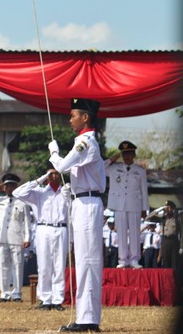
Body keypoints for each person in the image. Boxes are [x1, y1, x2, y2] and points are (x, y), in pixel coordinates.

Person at [49, 98, 105, 333]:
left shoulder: (85, 142)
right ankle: (86, 316)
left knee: (88, 260)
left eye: (73, 115)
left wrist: (53, 152)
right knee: (82, 259)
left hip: (88, 202)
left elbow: (62, 166)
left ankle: (88, 318)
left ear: (85, 117)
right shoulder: (83, 142)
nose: (70, 119)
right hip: (82, 201)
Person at [12, 168, 68, 311]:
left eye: (56, 173)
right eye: (51, 173)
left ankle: (57, 300)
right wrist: (40, 179)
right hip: (44, 228)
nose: (54, 175)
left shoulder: (66, 192)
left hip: (61, 228)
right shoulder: (39, 192)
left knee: (59, 266)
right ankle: (45, 299)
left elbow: (72, 215)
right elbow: (17, 193)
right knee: (44, 265)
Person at [0, 173, 31, 302]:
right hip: (1, 237)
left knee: (18, 265)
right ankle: (5, 293)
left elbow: (27, 221)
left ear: (16, 186)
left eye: (12, 186)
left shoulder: (22, 202)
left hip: (16, 236)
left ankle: (17, 293)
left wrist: (27, 238)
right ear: (3, 187)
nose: (10, 188)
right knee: (2, 265)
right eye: (7, 186)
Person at [104, 141, 148, 269]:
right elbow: (101, 167)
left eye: (129, 153)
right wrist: (114, 158)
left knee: (135, 232)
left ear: (134, 154)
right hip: (119, 204)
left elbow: (144, 190)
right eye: (124, 154)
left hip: (134, 204)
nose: (127, 156)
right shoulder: (113, 168)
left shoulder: (140, 171)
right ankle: (122, 259)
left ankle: (134, 259)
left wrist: (144, 208)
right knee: (121, 232)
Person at [146, 201, 180, 268]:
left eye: (169, 208)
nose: (167, 209)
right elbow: (148, 218)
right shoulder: (163, 217)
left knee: (174, 261)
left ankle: (174, 277)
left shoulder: (177, 218)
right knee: (166, 260)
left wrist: (181, 246)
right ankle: (166, 277)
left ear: (173, 209)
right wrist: (160, 209)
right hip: (165, 241)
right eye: (166, 207)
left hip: (174, 240)